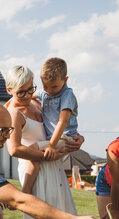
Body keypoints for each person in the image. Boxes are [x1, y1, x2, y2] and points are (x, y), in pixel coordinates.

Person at [5, 66, 84, 219]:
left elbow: (57, 127)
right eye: (21, 92)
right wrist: (45, 152)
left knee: (57, 214)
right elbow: (13, 149)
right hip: (36, 167)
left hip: (53, 167)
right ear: (9, 90)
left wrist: (78, 138)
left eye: (31, 89)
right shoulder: (14, 113)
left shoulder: (37, 102)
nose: (27, 95)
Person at [20, 57, 81, 194]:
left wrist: (51, 145)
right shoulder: (44, 93)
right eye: (45, 85)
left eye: (54, 86)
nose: (49, 90)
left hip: (65, 138)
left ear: (65, 80)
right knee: (37, 159)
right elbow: (28, 96)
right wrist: (9, 105)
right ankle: (33, 190)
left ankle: (25, 191)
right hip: (53, 139)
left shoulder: (67, 95)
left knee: (32, 150)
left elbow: (62, 121)